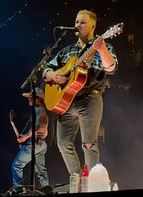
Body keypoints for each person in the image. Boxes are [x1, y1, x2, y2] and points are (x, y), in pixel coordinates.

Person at [42, 9, 119, 176]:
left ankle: (91, 182)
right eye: (77, 21)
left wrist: (102, 49)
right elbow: (46, 70)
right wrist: (53, 75)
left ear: (93, 25)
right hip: (66, 101)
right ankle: (77, 178)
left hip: (90, 98)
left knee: (89, 144)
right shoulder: (66, 51)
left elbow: (111, 68)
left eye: (82, 22)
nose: (78, 24)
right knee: (63, 143)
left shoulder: (103, 46)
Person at [9, 86, 49, 194]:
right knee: (41, 169)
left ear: (39, 99)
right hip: (40, 144)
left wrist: (26, 137)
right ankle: (46, 189)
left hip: (35, 144)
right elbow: (45, 131)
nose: (29, 99)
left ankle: (18, 189)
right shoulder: (38, 111)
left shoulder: (40, 111)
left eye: (31, 97)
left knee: (17, 165)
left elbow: (39, 126)